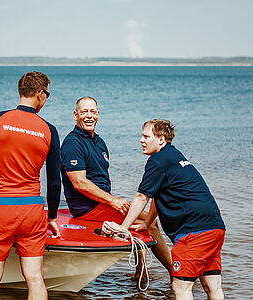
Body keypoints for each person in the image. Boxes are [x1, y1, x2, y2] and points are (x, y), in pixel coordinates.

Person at [0, 71, 61, 300]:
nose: (46, 100)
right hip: (31, 210)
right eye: (47, 94)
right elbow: (54, 180)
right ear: (40, 94)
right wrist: (52, 216)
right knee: (35, 278)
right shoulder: (49, 129)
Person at [60, 97, 172, 274]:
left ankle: (140, 273)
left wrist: (112, 201)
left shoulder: (99, 142)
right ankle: (174, 272)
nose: (89, 116)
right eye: (84, 112)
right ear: (75, 115)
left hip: (101, 202)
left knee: (137, 214)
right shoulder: (72, 143)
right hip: (86, 207)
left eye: (93, 112)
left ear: (98, 115)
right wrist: (113, 201)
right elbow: (79, 183)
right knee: (148, 221)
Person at [120, 119, 226, 300]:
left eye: (146, 136)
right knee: (212, 285)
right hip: (215, 227)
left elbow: (142, 197)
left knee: (180, 286)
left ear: (161, 139)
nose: (141, 140)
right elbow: (157, 195)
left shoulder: (158, 160)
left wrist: (123, 227)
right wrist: (146, 223)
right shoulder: (174, 155)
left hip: (193, 232)